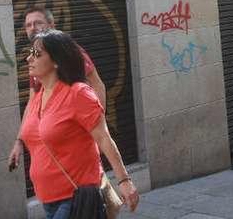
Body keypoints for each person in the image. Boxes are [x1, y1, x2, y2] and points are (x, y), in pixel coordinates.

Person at [14, 29, 139, 218]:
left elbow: (104, 138)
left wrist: (124, 181)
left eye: (37, 54)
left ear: (56, 61)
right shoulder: (38, 98)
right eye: (30, 53)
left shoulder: (78, 93)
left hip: (75, 197)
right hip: (47, 200)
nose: (29, 59)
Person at [9, 6, 106, 167]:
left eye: (37, 23)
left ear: (51, 25)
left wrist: (98, 131)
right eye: (28, 25)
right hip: (53, 142)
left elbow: (98, 85)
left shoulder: (68, 51)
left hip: (76, 140)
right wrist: (20, 140)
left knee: (89, 185)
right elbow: (33, 102)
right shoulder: (35, 58)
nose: (32, 28)